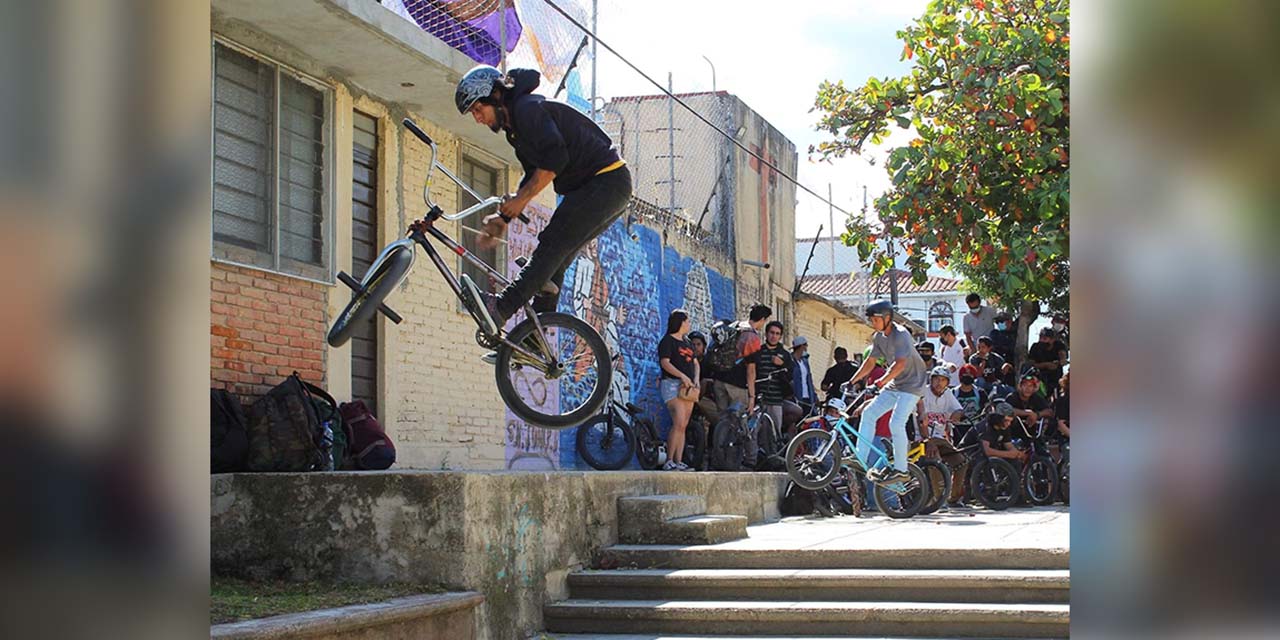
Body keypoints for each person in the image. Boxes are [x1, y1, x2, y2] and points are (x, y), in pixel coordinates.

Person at [454, 65, 633, 346]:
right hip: (602, 187)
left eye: (478, 109)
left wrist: (519, 201)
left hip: (604, 181)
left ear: (496, 96)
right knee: (555, 261)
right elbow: (533, 175)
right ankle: (534, 338)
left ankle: (501, 308)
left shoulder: (527, 110)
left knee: (552, 243)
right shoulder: (516, 131)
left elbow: (554, 162)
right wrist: (503, 218)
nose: (478, 119)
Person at [844, 299, 930, 484]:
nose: (873, 323)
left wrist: (881, 382)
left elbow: (900, 364)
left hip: (913, 383)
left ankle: (902, 470)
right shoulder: (879, 337)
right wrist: (852, 380)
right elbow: (870, 362)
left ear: (887, 317)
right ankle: (860, 458)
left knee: (896, 423)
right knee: (869, 413)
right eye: (871, 320)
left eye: (875, 320)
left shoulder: (901, 335)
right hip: (897, 383)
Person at [918, 365, 969, 505]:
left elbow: (958, 409)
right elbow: (920, 421)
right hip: (922, 439)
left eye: (943, 380)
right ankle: (939, 499)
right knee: (936, 461)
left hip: (940, 438)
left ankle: (953, 498)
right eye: (936, 379)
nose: (939, 383)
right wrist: (928, 441)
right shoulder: (923, 393)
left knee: (961, 462)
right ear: (931, 379)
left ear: (947, 382)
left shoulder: (947, 394)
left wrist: (956, 415)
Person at [657, 310, 699, 471]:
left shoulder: (687, 342)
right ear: (680, 322)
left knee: (684, 425)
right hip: (672, 385)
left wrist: (695, 380)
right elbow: (665, 363)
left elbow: (695, 363)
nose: (689, 324)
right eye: (687, 321)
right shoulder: (667, 341)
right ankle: (669, 460)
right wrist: (682, 376)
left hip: (689, 387)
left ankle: (678, 460)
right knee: (678, 422)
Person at [711, 304, 771, 416]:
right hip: (737, 385)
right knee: (738, 421)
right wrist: (752, 397)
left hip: (719, 380)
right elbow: (751, 370)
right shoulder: (752, 337)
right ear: (763, 319)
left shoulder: (734, 325)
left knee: (722, 420)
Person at [754, 321, 793, 456]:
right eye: (771, 333)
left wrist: (782, 365)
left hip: (776, 400)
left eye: (777, 334)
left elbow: (791, 375)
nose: (774, 336)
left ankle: (774, 457)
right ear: (766, 334)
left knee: (774, 430)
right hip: (759, 400)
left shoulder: (785, 355)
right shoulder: (758, 352)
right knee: (758, 431)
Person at [952, 364, 989, 445]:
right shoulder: (953, 392)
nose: (968, 376)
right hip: (957, 428)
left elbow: (987, 407)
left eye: (970, 374)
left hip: (975, 427)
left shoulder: (980, 392)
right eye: (965, 374)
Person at [1028, 327, 1069, 398]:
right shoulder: (1035, 347)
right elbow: (1031, 364)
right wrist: (1045, 365)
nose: (1041, 340)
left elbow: (1063, 359)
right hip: (1039, 378)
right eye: (1040, 337)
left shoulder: (1059, 345)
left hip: (1056, 378)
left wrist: (1058, 363)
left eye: (1045, 338)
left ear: (1052, 339)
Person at [790, 336, 818, 414]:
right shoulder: (791, 361)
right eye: (805, 345)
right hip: (797, 396)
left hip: (808, 396)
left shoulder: (804, 362)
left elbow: (809, 379)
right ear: (802, 346)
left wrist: (814, 395)